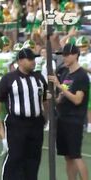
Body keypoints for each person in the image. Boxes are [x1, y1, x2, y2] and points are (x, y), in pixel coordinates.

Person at [0, 48, 47, 180]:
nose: (33, 62)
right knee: (15, 156)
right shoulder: (9, 78)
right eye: (29, 59)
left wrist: (45, 117)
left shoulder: (39, 78)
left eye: (34, 59)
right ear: (20, 61)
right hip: (17, 122)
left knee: (34, 157)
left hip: (36, 123)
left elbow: (45, 99)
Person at [49, 43, 89, 180]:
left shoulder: (81, 76)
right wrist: (55, 97)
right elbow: (62, 96)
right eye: (63, 55)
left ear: (75, 55)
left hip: (74, 120)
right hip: (62, 118)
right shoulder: (65, 72)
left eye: (67, 55)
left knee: (75, 155)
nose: (64, 57)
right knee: (67, 156)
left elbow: (77, 99)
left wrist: (59, 86)